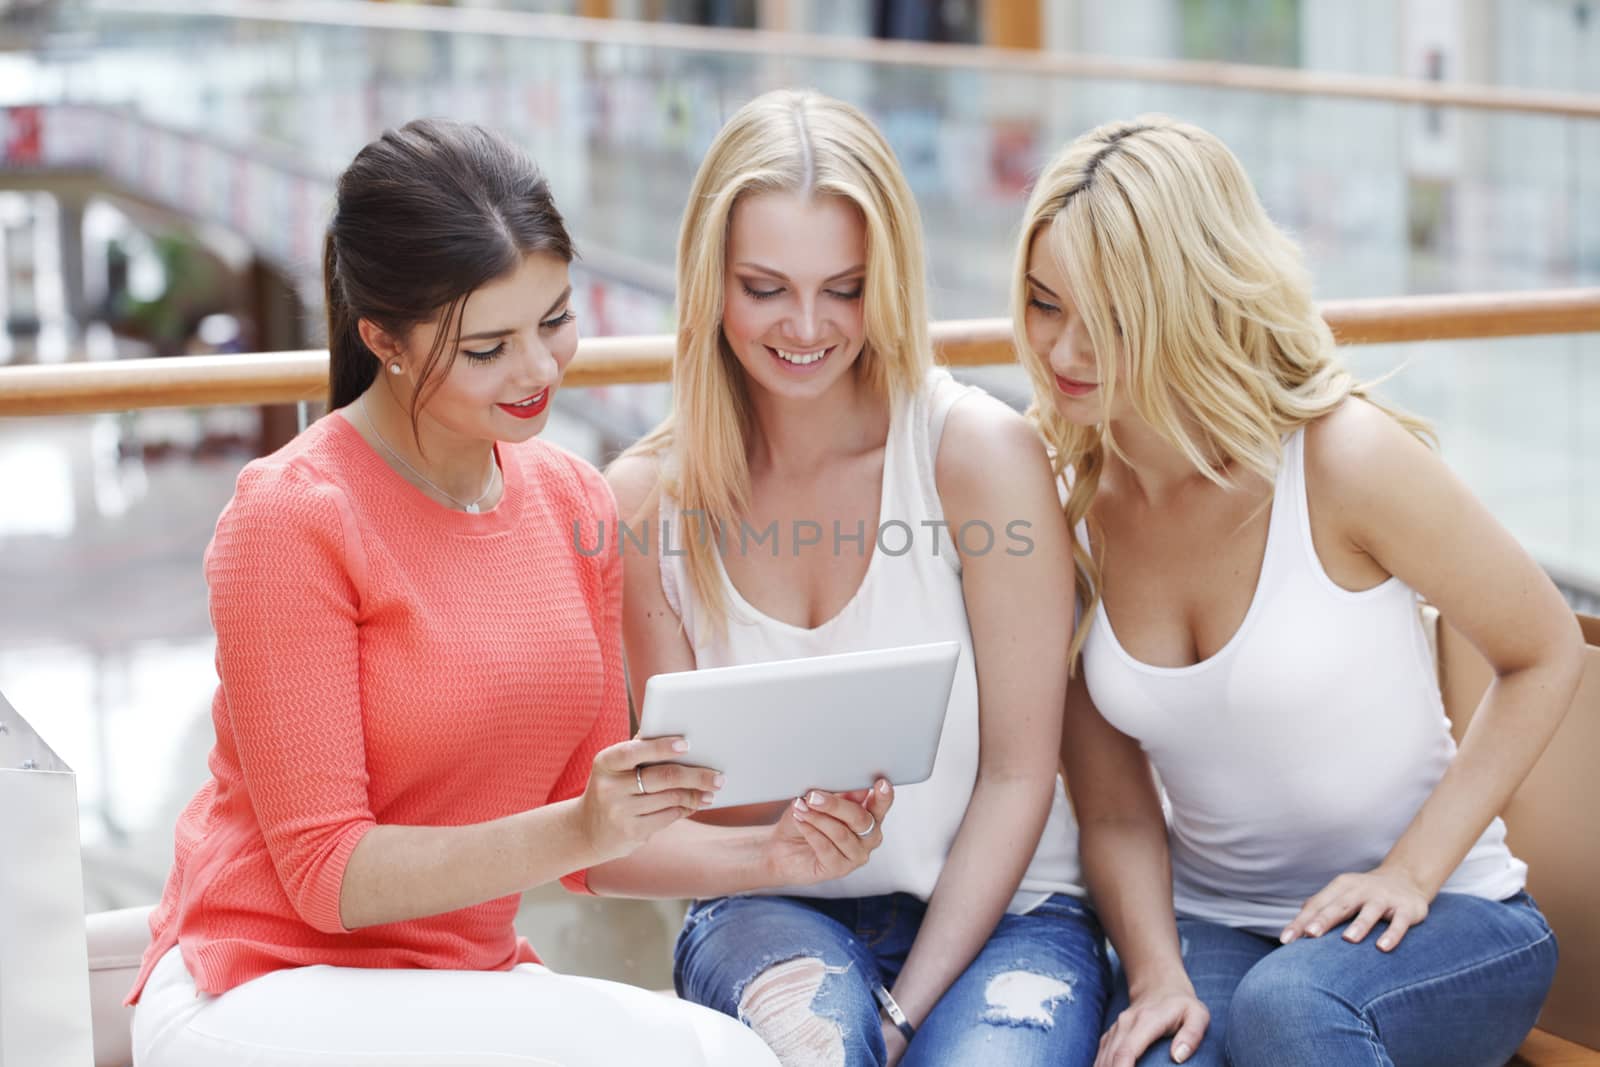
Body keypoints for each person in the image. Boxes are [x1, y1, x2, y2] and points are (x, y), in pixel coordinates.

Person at [125, 118, 884, 1067]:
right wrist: (581, 821)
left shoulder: (574, 500)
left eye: (554, 320)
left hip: (456, 984)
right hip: (261, 980)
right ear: (382, 340)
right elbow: (330, 876)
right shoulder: (292, 517)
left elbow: (596, 838)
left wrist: (770, 856)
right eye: (488, 347)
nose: (537, 372)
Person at [1013, 115, 1583, 1067]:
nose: (1066, 351)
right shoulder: (1064, 514)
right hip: (1214, 931)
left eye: (1110, 318)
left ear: (1189, 301)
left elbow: (1544, 650)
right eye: (1041, 303)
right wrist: (1155, 973)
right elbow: (1115, 810)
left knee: (1291, 1007)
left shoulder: (1340, 457)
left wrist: (1411, 869)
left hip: (1447, 919)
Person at [608, 89, 1105, 1067]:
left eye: (843, 286)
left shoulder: (976, 456)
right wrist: (781, 844)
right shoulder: (642, 503)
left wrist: (906, 1010)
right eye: (764, 287)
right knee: (818, 1048)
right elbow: (657, 817)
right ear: (709, 283)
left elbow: (1019, 773)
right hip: (767, 910)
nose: (805, 325)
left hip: (1009, 911)